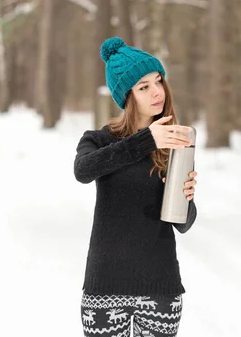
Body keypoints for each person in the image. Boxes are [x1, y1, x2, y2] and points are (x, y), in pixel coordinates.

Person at [74, 37, 198, 337]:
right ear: (127, 97)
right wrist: (147, 140)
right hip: (106, 286)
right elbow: (83, 171)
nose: (157, 92)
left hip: (160, 286)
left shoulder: (173, 144)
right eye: (144, 87)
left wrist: (186, 198)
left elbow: (182, 223)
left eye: (158, 81)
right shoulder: (99, 140)